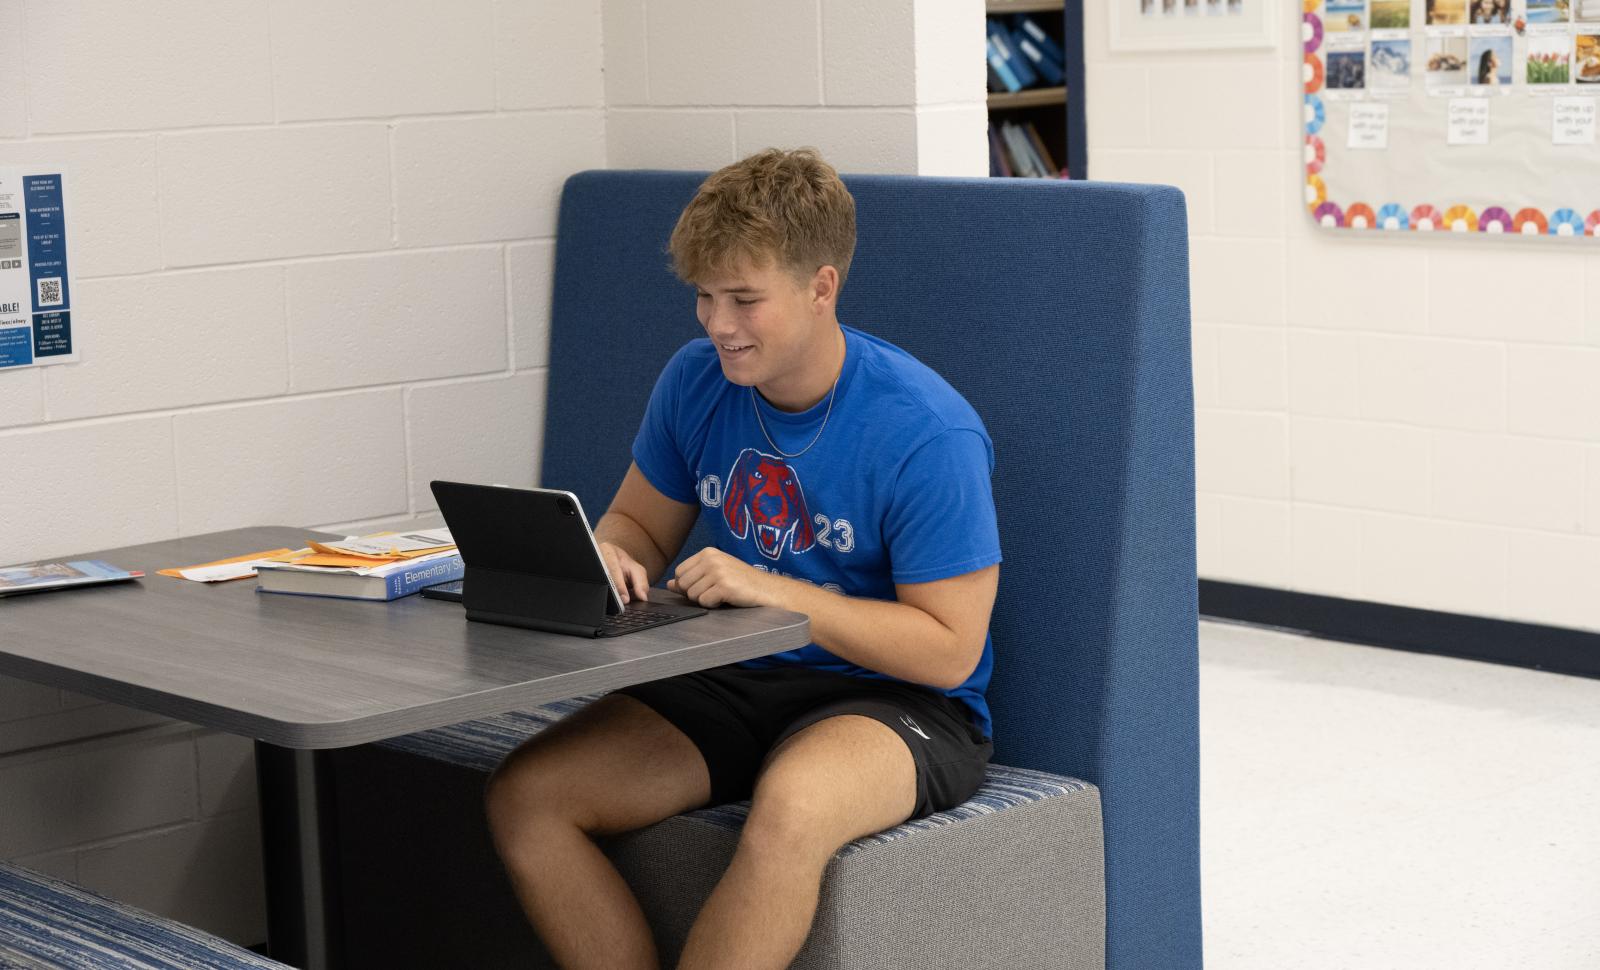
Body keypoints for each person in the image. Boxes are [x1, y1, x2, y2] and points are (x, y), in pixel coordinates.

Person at [483, 148, 1002, 970]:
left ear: (821, 288)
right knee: (528, 796)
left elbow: (949, 649)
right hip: (735, 678)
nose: (716, 323)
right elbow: (637, 526)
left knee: (791, 808)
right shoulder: (695, 382)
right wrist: (613, 554)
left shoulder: (927, 431)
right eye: (704, 296)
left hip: (897, 702)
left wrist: (771, 590)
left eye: (745, 300)